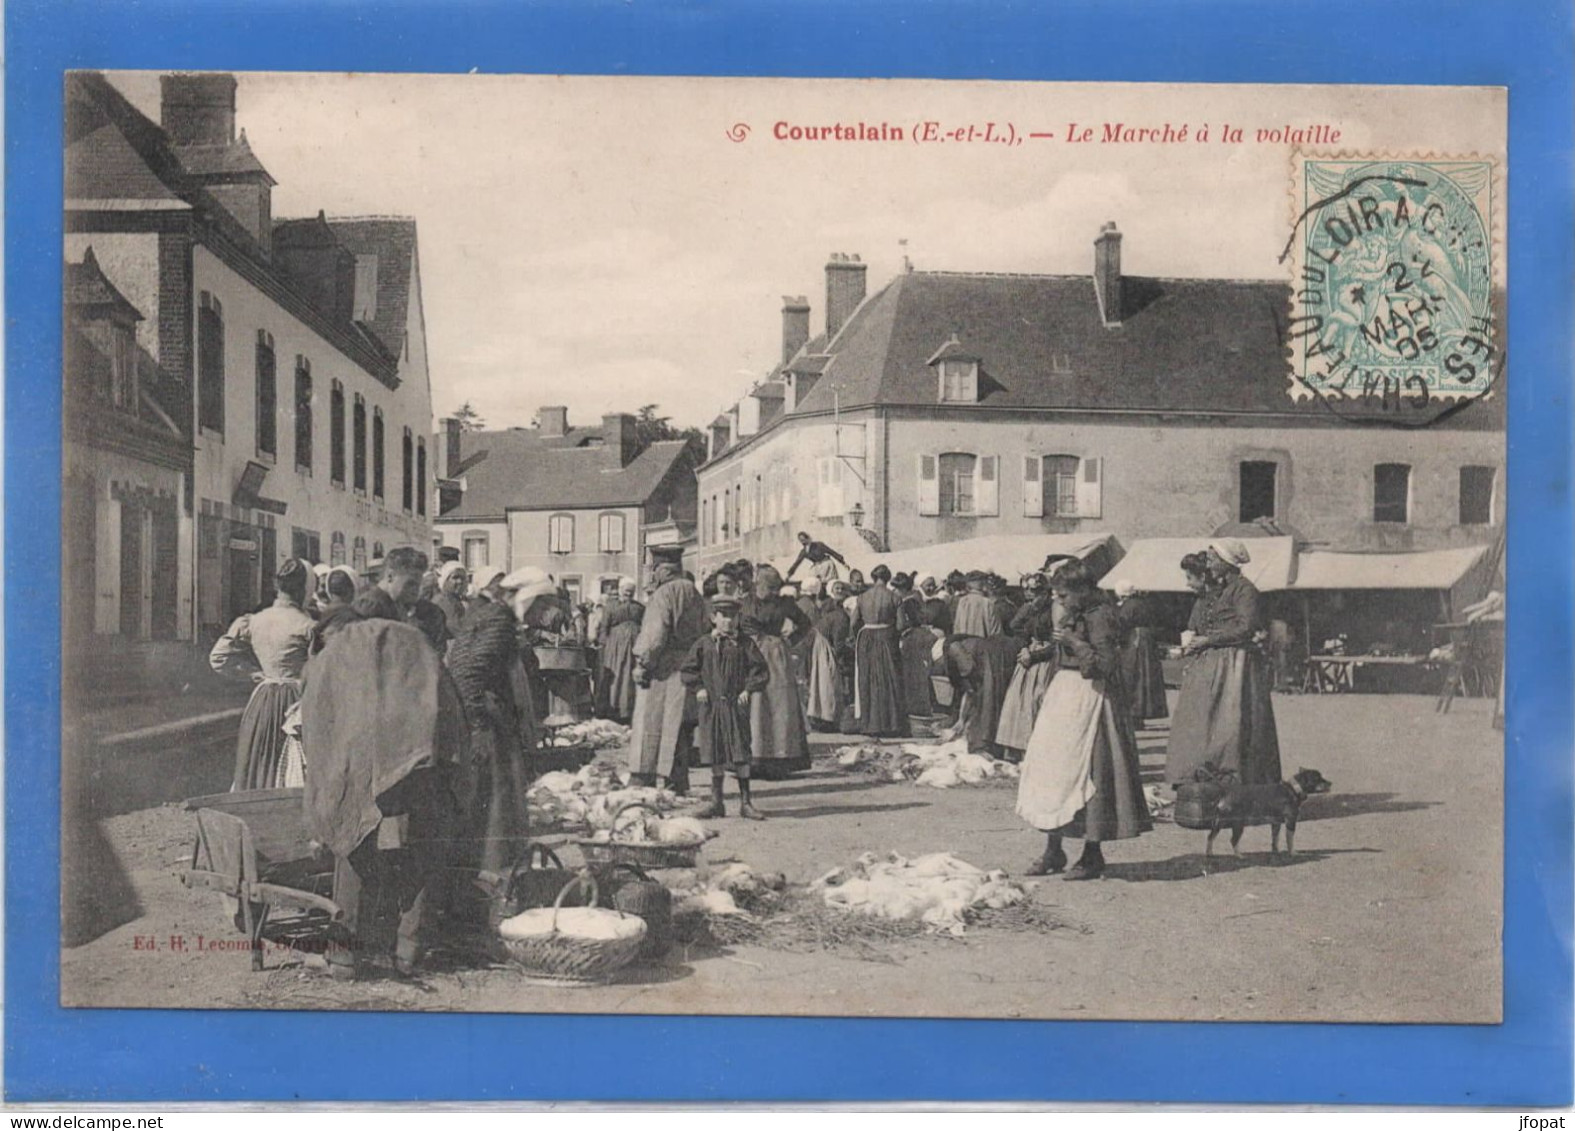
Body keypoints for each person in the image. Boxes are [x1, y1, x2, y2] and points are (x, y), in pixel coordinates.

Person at [301, 615, 468, 979]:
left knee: (355, 851)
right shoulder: (414, 651)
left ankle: (345, 955)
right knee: (418, 859)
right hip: (416, 773)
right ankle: (408, 951)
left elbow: (319, 726)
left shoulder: (340, 659)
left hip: (360, 774)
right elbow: (451, 718)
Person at [1015, 561, 1151, 880]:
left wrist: (1074, 644)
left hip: (1092, 699)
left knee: (1091, 773)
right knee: (1055, 773)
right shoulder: (1078, 612)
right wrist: (1040, 654)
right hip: (1065, 695)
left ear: (1081, 591)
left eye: (1063, 595)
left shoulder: (1102, 616)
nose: (1059, 601)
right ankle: (1054, 849)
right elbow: (1065, 644)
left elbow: (1105, 664)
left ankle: (1092, 853)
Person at [446, 567, 561, 879]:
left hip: (487, 716)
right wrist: (479, 728)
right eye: (539, 604)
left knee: (494, 801)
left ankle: (490, 873)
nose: (542, 612)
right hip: (487, 719)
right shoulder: (497, 620)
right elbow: (468, 673)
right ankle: (492, 876)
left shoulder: (491, 614)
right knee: (495, 802)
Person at [1166, 540, 1283, 788]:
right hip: (1211, 661)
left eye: (1212, 559)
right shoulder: (1219, 589)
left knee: (1231, 722)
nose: (1208, 563)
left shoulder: (1244, 589)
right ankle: (1203, 778)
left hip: (1234, 664)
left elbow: (1246, 626)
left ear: (1227, 562)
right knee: (1203, 720)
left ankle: (1236, 783)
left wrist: (1209, 639)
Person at [209, 558, 318, 791]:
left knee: (260, 758)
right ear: (305, 589)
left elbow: (218, 658)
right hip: (297, 703)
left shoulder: (254, 621)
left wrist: (252, 674)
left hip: (263, 701)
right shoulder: (308, 626)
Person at [681, 595, 770, 820]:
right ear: (714, 618)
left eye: (732, 617)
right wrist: (699, 688)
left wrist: (747, 690)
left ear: (738, 618)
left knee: (740, 751)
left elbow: (759, 670)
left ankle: (745, 802)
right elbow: (688, 670)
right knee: (716, 752)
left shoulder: (745, 644)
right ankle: (716, 802)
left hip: (735, 705)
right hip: (711, 706)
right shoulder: (704, 644)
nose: (728, 622)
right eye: (723, 616)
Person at [628, 562, 709, 789]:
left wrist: (642, 664)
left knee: (650, 721)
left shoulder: (663, 594)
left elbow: (655, 635)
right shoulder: (693, 592)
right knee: (680, 726)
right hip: (689, 665)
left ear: (663, 570)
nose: (653, 575)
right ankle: (678, 780)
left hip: (663, 668)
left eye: (655, 570)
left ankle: (643, 776)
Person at [738, 564, 813, 775]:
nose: (771, 591)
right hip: (751, 653)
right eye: (767, 586)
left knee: (778, 705)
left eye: (774, 587)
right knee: (755, 703)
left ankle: (778, 757)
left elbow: (805, 623)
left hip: (775, 656)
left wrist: (788, 641)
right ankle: (753, 756)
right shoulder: (747, 603)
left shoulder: (784, 604)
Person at [995, 572, 1061, 760]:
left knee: (1038, 701)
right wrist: (1025, 647)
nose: (1030, 594)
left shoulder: (1054, 610)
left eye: (1035, 591)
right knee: (1018, 701)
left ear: (1045, 592)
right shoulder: (1031, 608)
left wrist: (1034, 654)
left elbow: (1057, 643)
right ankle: (1019, 748)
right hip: (1029, 655)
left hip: (1046, 660)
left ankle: (1041, 750)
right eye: (1027, 590)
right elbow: (1016, 627)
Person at [938, 629, 1024, 758]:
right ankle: (993, 745)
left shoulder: (953, 648)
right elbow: (969, 690)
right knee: (993, 701)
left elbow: (969, 672)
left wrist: (963, 720)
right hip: (996, 656)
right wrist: (961, 720)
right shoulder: (959, 645)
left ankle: (983, 745)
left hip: (991, 659)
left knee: (987, 702)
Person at [848, 564, 909, 737]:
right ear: (888, 578)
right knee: (889, 679)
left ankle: (869, 724)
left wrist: (855, 635)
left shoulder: (862, 597)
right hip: (886, 637)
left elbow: (853, 623)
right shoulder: (894, 597)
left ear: (873, 578)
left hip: (867, 637)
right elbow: (901, 625)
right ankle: (891, 724)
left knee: (867, 679)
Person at [354, 547, 450, 652]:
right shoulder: (370, 606)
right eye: (410, 584)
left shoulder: (399, 604)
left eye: (418, 584)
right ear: (390, 576)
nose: (416, 590)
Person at [1113, 579, 1171, 727]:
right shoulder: (1144, 603)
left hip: (1134, 641)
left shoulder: (1128, 606)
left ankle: (1134, 715)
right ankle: (1141, 714)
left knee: (1133, 676)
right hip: (1147, 641)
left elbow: (1121, 623)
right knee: (1145, 677)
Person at [805, 578, 851, 731]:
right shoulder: (841, 616)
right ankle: (828, 717)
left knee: (822, 682)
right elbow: (838, 642)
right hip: (824, 645)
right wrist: (841, 661)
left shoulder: (830, 610)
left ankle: (822, 716)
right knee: (828, 682)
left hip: (820, 642)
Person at [598, 577, 644, 723]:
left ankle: (630, 710)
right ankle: (614, 710)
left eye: (631, 592)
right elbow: (604, 628)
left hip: (635, 646)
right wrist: (605, 645)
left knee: (631, 676)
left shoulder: (640, 608)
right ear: (620, 590)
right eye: (626, 591)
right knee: (617, 676)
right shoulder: (611, 607)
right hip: (615, 648)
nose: (628, 594)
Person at [898, 574, 943, 718]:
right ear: (920, 585)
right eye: (927, 584)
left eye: (932, 584)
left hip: (924, 638)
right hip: (915, 639)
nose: (930, 587)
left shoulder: (938, 602)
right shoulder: (912, 601)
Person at [784, 530, 849, 586]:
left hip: (827, 565)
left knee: (830, 583)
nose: (803, 542)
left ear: (808, 538)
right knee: (814, 583)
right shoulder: (804, 552)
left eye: (804, 540)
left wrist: (843, 563)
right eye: (801, 541)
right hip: (816, 568)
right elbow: (797, 563)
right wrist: (789, 575)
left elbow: (832, 552)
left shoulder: (819, 545)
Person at [952, 571, 1000, 638]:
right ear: (984, 585)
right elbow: (996, 634)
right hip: (983, 646)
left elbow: (956, 629)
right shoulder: (988, 603)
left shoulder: (962, 602)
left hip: (963, 645)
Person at [431, 561, 470, 641]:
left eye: (462, 578)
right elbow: (457, 629)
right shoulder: (443, 601)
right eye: (455, 578)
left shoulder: (456, 600)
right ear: (445, 580)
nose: (460, 582)